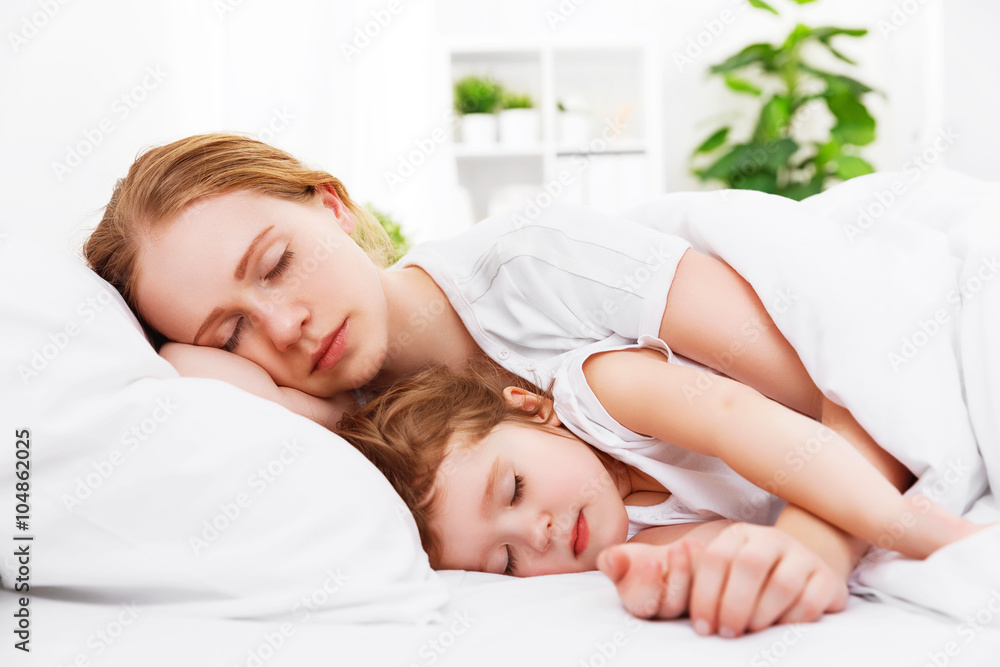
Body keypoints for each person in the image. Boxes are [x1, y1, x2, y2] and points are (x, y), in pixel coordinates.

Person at [84, 132, 918, 637]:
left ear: (333, 207)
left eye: (276, 262)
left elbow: (849, 379)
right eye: (231, 329)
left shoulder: (534, 261)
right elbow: (186, 382)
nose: (284, 327)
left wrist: (811, 550)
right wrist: (318, 398)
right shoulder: (393, 448)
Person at [334, 362, 984, 635]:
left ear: (532, 409)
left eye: (515, 488)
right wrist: (675, 577)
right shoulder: (624, 539)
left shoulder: (604, 392)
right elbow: (730, 545)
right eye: (505, 562)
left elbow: (735, 414)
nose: (536, 533)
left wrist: (903, 526)